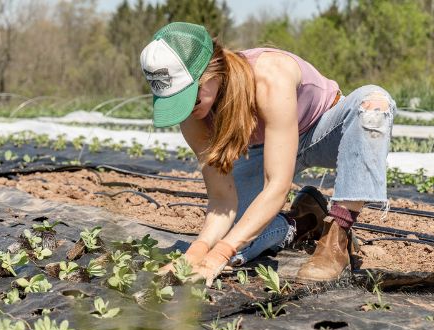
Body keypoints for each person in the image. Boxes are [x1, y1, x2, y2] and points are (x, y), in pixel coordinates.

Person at [141, 22, 396, 286]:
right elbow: (221, 200)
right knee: (236, 239)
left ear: (213, 71)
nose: (188, 109)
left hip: (323, 131)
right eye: (175, 101)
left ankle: (337, 236)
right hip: (267, 148)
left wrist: (220, 253)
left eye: (190, 98)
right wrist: (198, 252)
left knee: (374, 104)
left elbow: (277, 186)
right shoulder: (193, 117)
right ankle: (302, 221)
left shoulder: (268, 76)